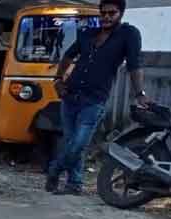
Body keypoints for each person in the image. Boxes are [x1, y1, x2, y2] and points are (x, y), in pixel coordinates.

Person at [47, 0, 149, 196]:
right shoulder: (88, 34)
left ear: (121, 13)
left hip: (94, 100)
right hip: (70, 95)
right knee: (71, 143)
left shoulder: (128, 34)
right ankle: (74, 184)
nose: (107, 17)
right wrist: (58, 79)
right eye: (103, 13)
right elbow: (68, 56)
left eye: (112, 13)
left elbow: (135, 65)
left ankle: (54, 169)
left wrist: (139, 94)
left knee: (78, 144)